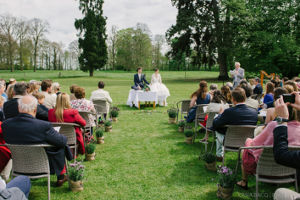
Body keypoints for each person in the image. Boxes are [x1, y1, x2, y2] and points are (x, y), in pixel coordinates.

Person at [2, 95, 72, 187]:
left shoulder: (6, 125)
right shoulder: (42, 126)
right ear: (35, 109)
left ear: (19, 108)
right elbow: (62, 141)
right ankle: (61, 176)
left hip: (18, 165)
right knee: (59, 145)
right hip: (41, 164)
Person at [236, 96, 300, 190]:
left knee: (248, 142)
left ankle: (244, 181)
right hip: (291, 171)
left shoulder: (275, 125)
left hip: (265, 168)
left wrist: (249, 141)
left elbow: (254, 144)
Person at [212, 87, 258, 161]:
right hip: (247, 142)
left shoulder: (229, 112)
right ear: (245, 98)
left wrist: (219, 114)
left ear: (233, 99)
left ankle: (219, 155)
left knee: (217, 127)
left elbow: (215, 124)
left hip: (230, 141)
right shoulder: (254, 112)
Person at [271, 93, 300, 199]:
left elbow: (281, 155)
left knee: (280, 193)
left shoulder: (272, 126)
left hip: (267, 168)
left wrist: (282, 120)